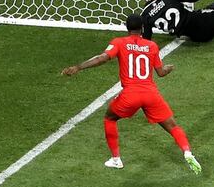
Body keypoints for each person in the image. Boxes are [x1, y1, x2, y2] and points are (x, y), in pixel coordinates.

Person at [61, 13, 202, 174]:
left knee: (110, 118)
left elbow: (102, 58)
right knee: (172, 126)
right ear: (142, 28)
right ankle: (187, 152)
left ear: (127, 27)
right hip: (150, 94)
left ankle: (116, 159)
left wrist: (79, 67)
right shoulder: (152, 45)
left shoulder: (119, 43)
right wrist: (168, 69)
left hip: (130, 94)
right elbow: (161, 72)